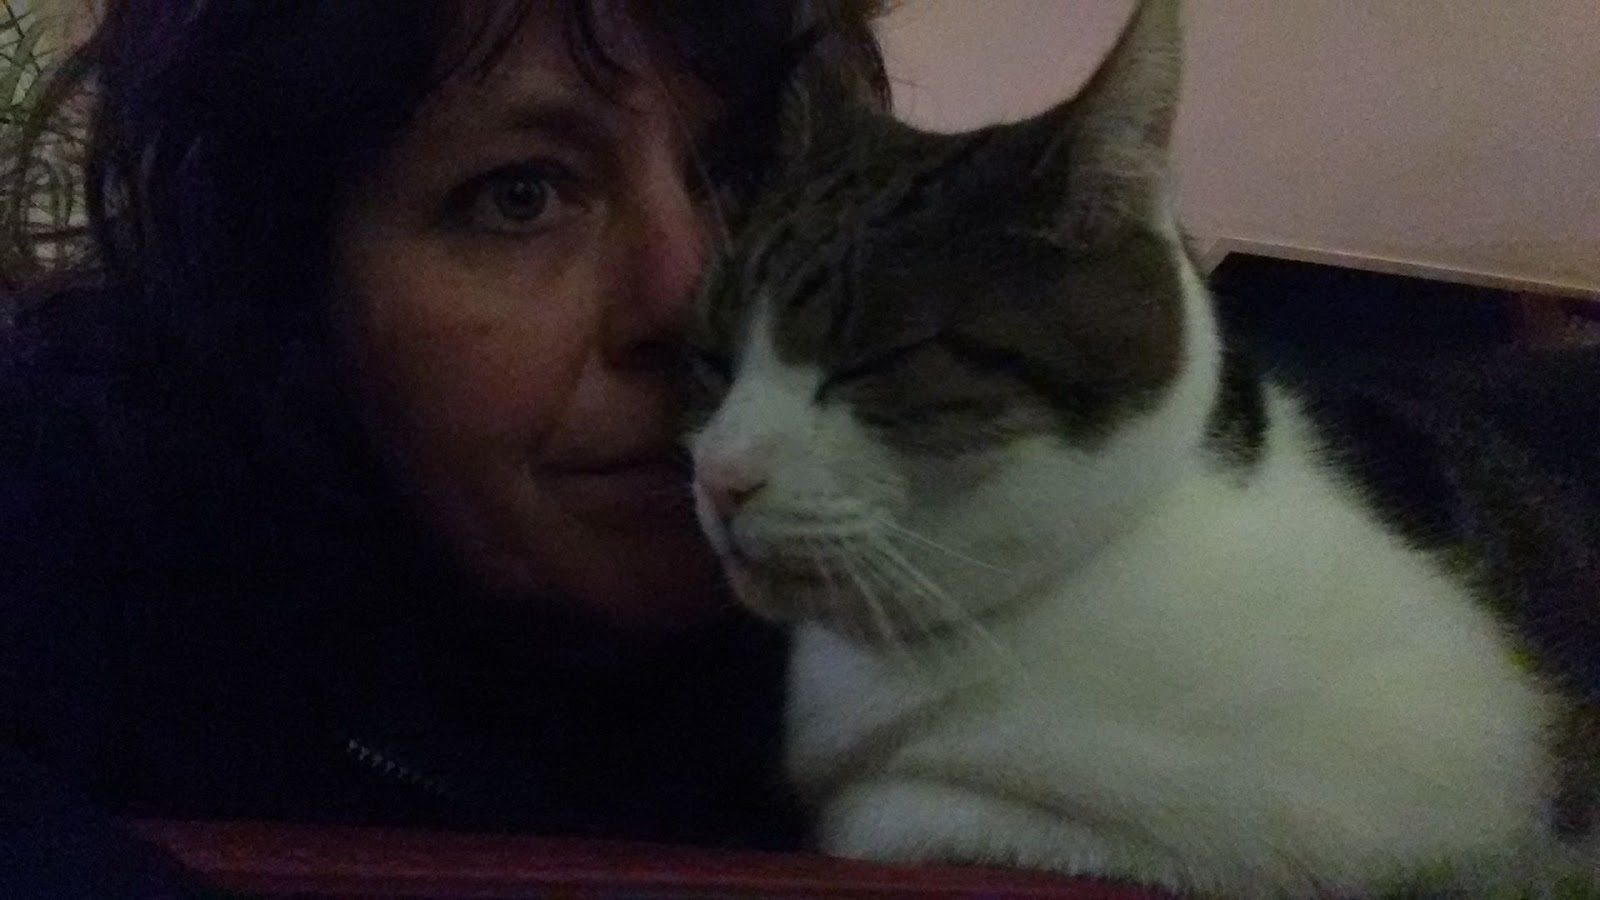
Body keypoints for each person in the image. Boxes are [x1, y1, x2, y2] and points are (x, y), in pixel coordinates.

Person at [0, 1, 889, 895]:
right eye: (519, 195)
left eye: (744, 173)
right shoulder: (75, 509)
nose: (698, 310)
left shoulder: (915, 598)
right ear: (289, 280)